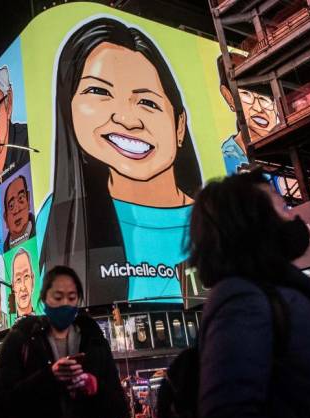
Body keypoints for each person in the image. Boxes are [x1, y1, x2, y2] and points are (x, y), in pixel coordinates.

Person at [38, 18, 202, 305]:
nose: (125, 119)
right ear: (69, 109)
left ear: (179, 126)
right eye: (100, 92)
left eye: (148, 102)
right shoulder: (60, 215)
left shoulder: (215, 221)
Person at [189, 169, 310, 418]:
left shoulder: (275, 293)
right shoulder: (242, 300)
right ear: (252, 221)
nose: (293, 215)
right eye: (281, 205)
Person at [0, 265, 128, 418]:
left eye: (71, 298)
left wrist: (95, 387)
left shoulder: (94, 341)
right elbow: (0, 409)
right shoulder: (22, 338)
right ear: (44, 300)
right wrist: (49, 377)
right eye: (58, 297)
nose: (65, 304)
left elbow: (116, 413)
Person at [217, 54, 278, 174]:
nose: (258, 108)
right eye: (247, 95)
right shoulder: (227, 158)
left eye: (264, 99)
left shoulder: (286, 155)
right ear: (229, 97)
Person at [3, 175, 36, 252]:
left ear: (28, 200)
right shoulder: (3, 251)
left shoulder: (41, 229)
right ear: (6, 218)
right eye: (11, 205)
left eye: (21, 198)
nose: (17, 210)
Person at [11, 248, 35, 317]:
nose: (23, 287)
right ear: (13, 286)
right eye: (18, 279)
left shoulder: (43, 321)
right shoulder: (13, 326)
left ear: (32, 280)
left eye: (26, 276)